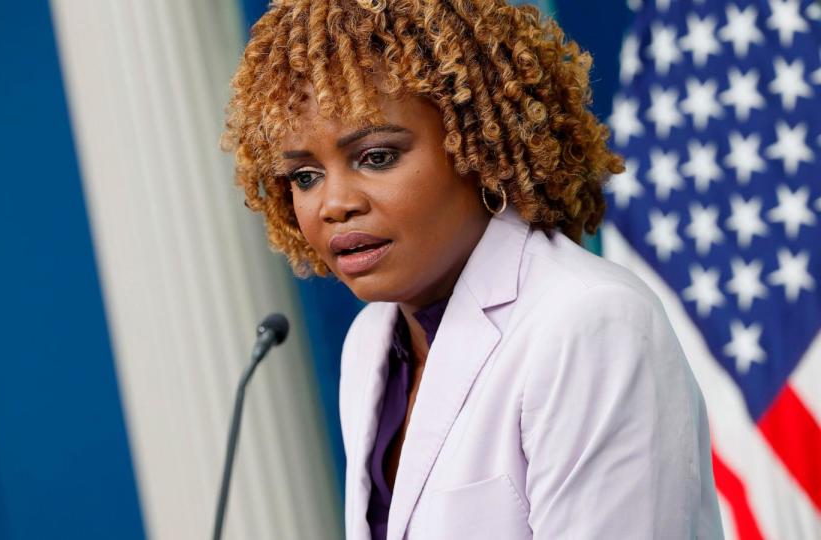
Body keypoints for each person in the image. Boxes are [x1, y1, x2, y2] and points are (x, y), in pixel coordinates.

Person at [222, 1, 723, 538]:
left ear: (478, 149)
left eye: (377, 157)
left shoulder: (588, 325)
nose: (333, 204)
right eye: (304, 175)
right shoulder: (371, 341)